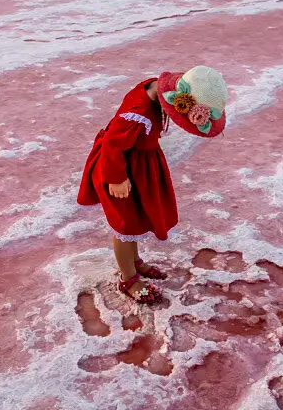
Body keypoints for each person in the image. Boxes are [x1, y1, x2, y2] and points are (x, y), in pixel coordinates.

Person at [77, 66, 228, 304]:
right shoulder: (137, 114)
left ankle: (134, 263)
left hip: (139, 164)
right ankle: (128, 279)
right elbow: (112, 146)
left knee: (135, 218)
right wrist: (116, 178)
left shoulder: (152, 87)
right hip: (120, 168)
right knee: (124, 225)